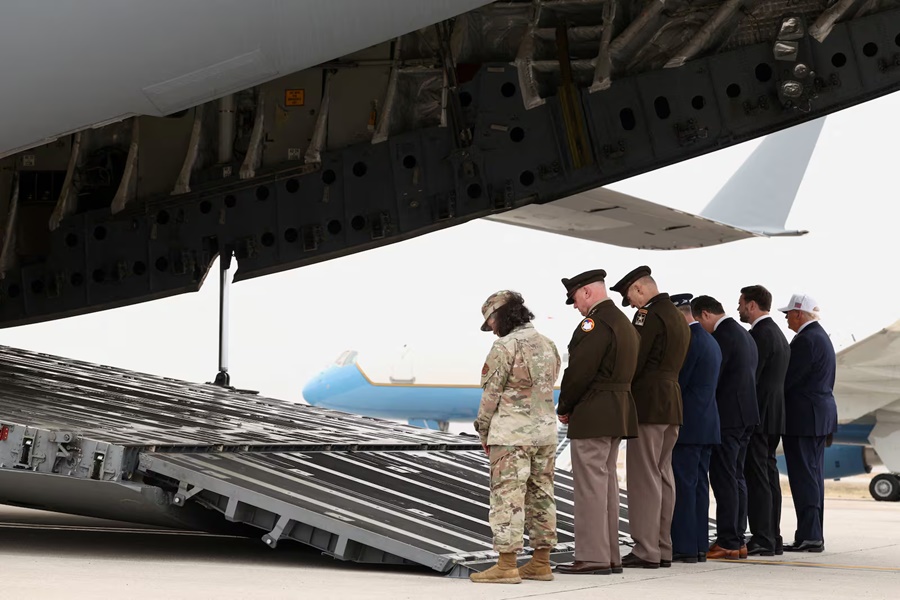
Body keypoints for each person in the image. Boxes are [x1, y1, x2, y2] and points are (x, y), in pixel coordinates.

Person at [470, 290, 561, 584]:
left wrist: (484, 430)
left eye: (492, 322)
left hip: (511, 436)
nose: (492, 329)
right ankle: (541, 563)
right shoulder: (548, 345)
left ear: (502, 316)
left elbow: (491, 396)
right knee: (542, 495)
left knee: (508, 497)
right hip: (545, 435)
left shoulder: (504, 347)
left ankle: (507, 565)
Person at [554, 269, 640, 575]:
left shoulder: (594, 324)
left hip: (592, 413)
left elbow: (579, 371)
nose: (576, 306)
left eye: (576, 299)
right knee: (606, 488)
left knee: (590, 489)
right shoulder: (624, 323)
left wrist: (564, 406)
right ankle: (610, 556)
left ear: (587, 292)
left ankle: (592, 557)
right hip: (617, 412)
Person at [610, 266, 690, 569]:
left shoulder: (648, 316)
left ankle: (645, 549)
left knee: (644, 479)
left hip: (648, 404)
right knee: (663, 476)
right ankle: (662, 546)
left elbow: (635, 359)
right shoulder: (678, 316)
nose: (631, 305)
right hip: (671, 404)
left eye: (630, 298)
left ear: (640, 290)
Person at [691, 295, 759, 560]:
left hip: (729, 418)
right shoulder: (744, 334)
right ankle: (738, 539)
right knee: (737, 477)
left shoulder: (723, 337)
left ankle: (729, 541)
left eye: (699, 321)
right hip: (746, 415)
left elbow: (714, 379)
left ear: (705, 314)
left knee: (724, 478)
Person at [778, 293, 838, 553]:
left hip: (804, 419)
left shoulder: (805, 341)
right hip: (818, 416)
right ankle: (812, 534)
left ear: (799, 314)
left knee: (804, 478)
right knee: (813, 477)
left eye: (788, 314)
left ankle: (810, 536)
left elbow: (788, 380)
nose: (786, 319)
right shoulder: (820, 337)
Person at [669, 293, 722, 564]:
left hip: (689, 425)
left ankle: (686, 547)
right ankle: (699, 544)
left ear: (680, 314)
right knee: (700, 486)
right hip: (708, 423)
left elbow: (679, 381)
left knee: (685, 486)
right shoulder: (710, 340)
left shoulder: (690, 341)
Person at [738, 285, 790, 556]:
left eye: (741, 303)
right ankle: (773, 536)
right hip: (775, 415)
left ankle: (762, 538)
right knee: (768, 477)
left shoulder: (759, 335)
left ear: (752, 305)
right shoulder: (778, 334)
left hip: (759, 414)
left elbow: (751, 378)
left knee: (758, 477)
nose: (738, 308)